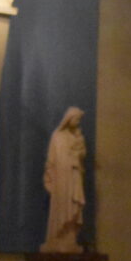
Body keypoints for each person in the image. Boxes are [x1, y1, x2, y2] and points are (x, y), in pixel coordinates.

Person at [40, 106, 87, 253]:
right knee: (61, 206)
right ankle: (57, 238)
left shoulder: (77, 136)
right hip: (61, 179)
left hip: (73, 176)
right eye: (76, 119)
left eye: (79, 120)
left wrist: (78, 150)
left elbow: (82, 154)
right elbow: (52, 159)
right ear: (69, 119)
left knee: (73, 205)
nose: (78, 123)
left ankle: (70, 239)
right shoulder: (57, 136)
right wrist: (49, 177)